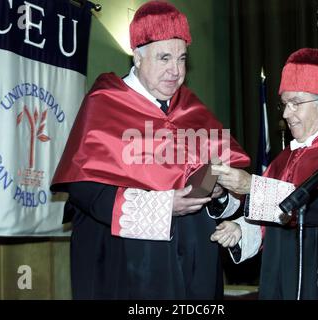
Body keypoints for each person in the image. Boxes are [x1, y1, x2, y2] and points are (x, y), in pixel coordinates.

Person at [50, 1, 250, 299]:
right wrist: (163, 207)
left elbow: (227, 180)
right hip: (128, 265)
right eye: (165, 58)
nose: (176, 70)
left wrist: (218, 194)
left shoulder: (193, 110)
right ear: (138, 57)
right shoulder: (105, 103)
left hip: (196, 265)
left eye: (182, 59)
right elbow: (86, 190)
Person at [210, 48, 318, 300]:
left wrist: (253, 186)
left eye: (295, 104)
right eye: (284, 103)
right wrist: (241, 230)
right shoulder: (284, 158)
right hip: (279, 282)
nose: (284, 113)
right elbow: (274, 218)